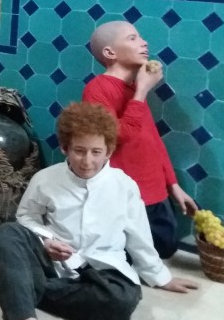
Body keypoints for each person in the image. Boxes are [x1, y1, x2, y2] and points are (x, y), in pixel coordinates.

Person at [0, 102, 198, 320]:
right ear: (65, 148)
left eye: (96, 152)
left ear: (109, 150)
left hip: (103, 270)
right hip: (53, 265)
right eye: (79, 151)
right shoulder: (46, 179)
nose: (87, 161)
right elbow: (26, 218)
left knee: (121, 303)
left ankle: (16, 283)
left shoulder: (125, 186)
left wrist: (162, 277)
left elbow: (140, 238)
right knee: (6, 232)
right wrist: (46, 241)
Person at [82, 20, 197, 258]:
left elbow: (152, 140)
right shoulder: (97, 89)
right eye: (132, 38)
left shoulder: (133, 88)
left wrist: (173, 185)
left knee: (165, 247)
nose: (144, 42)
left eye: (140, 37)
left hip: (156, 190)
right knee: (128, 255)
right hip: (127, 194)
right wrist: (142, 92)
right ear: (110, 52)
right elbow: (118, 136)